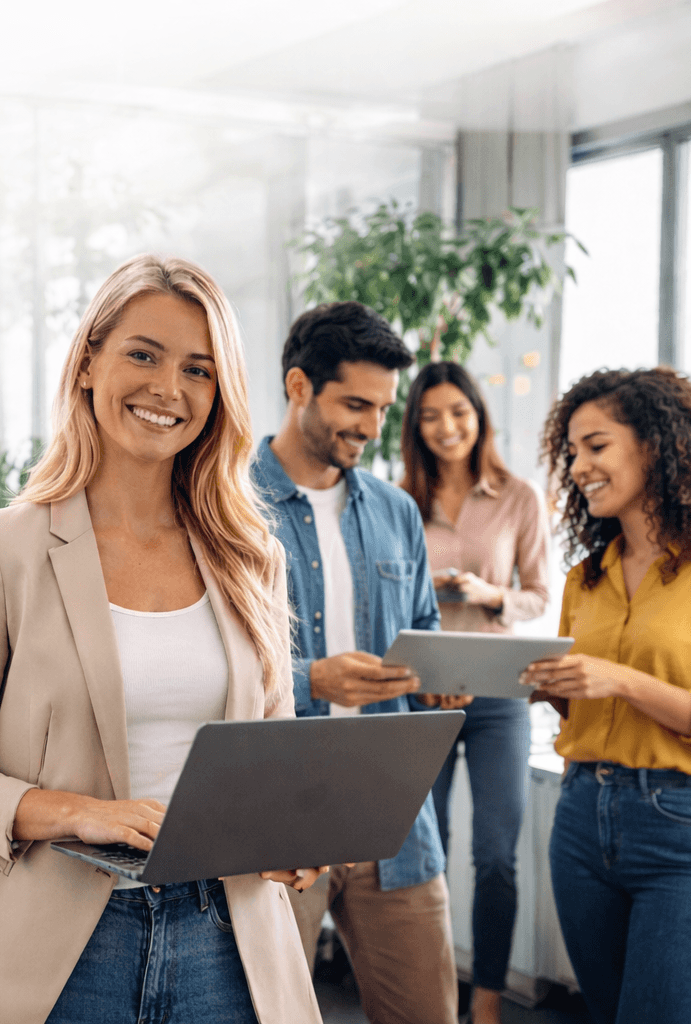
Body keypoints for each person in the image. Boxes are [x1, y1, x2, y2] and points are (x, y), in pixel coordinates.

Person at [0, 254, 322, 1024]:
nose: (169, 389)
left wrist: (285, 831)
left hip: (225, 945)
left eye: (198, 369)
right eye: (143, 354)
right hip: (55, 952)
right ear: (88, 361)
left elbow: (271, 754)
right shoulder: (2, 547)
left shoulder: (252, 553)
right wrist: (75, 812)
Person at [522, 368, 691, 1024]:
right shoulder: (587, 576)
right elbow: (588, 706)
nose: (578, 466)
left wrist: (622, 681)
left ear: (657, 445)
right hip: (581, 821)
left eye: (596, 446)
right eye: (571, 451)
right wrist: (552, 689)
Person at [252, 301, 458, 1024]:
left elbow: (423, 626)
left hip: (390, 813)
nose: (372, 427)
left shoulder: (396, 509)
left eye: (381, 408)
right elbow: (200, 660)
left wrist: (435, 679)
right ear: (299, 385)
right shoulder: (225, 503)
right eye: (355, 404)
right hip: (277, 811)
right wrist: (313, 679)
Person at [401, 361, 549, 1024]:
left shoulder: (519, 497)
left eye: (457, 411)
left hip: (495, 697)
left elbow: (540, 594)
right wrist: (426, 592)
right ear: (414, 426)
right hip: (423, 691)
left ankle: (487, 994)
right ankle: (427, 984)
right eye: (429, 415)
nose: (445, 427)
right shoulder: (399, 501)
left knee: (495, 854)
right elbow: (387, 595)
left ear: (478, 414)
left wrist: (492, 595)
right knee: (420, 848)